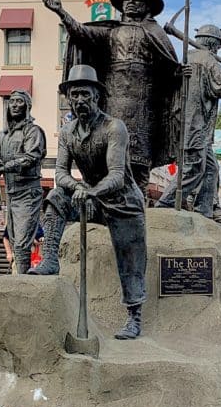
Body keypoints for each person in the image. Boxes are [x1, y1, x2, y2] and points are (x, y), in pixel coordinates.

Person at [40, 0, 181, 197]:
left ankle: (137, 208)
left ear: (147, 6)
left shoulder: (156, 33)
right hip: (113, 101)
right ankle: (101, 207)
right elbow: (81, 33)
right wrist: (60, 12)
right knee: (108, 158)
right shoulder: (111, 31)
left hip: (145, 107)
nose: (131, 2)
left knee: (138, 164)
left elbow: (171, 70)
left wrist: (182, 73)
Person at [29, 65, 147, 340]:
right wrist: (79, 187)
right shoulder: (68, 132)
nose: (80, 100)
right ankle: (49, 261)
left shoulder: (113, 128)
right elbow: (59, 173)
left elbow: (117, 175)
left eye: (85, 94)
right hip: (89, 196)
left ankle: (134, 317)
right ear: (68, 99)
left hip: (122, 201)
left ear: (97, 97)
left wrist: (92, 191)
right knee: (57, 196)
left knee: (131, 256)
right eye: (75, 94)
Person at [155, 24, 221, 223]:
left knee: (211, 169)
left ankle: (206, 210)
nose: (218, 49)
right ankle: (164, 205)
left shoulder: (188, 57)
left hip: (197, 128)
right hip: (194, 126)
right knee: (192, 169)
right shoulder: (206, 59)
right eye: (218, 45)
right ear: (213, 44)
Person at [0, 91, 46, 274]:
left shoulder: (33, 131)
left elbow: (31, 157)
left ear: (27, 106)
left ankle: (22, 280)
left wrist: (3, 167)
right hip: (11, 194)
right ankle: (20, 278)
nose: (14, 105)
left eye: (19, 101)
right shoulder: (3, 135)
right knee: (13, 239)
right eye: (11, 101)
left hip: (28, 192)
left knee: (22, 241)